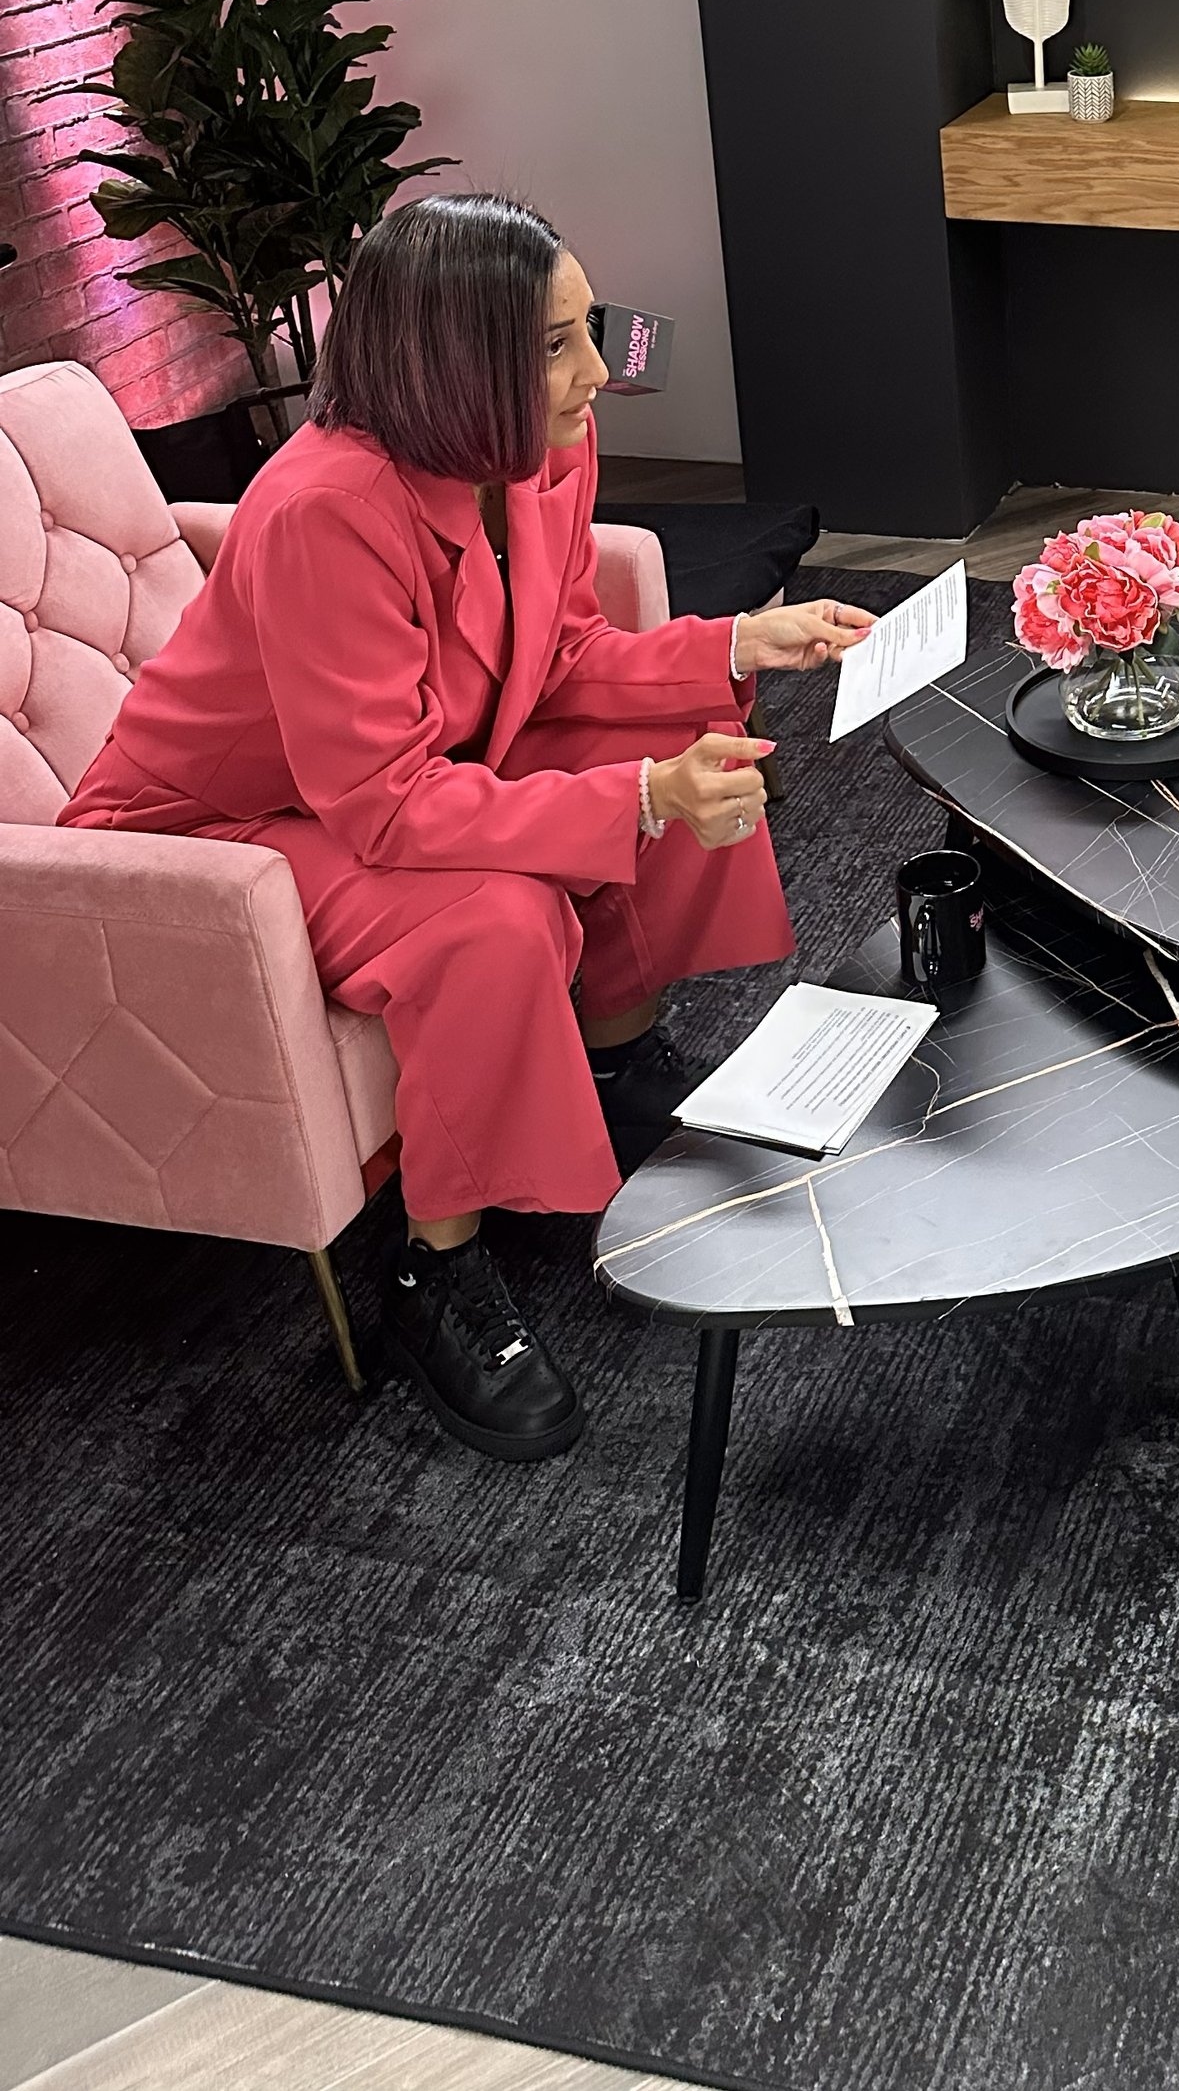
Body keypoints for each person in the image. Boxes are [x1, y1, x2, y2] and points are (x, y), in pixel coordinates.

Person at [65, 194, 873, 1466]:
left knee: (631, 744)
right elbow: (381, 804)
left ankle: (608, 1064)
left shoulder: (540, 452)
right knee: (491, 916)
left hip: (376, 772)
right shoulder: (323, 507)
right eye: (556, 344)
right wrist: (648, 800)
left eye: (585, 329)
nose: (600, 370)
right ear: (454, 365)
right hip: (214, 832)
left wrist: (729, 641)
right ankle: (431, 1269)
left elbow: (556, 658)